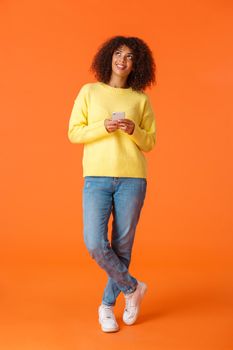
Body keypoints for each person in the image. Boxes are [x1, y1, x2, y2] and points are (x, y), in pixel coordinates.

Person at [68, 35, 157, 333]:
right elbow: (74, 132)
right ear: (108, 57)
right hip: (96, 177)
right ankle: (133, 288)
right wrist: (103, 127)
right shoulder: (89, 92)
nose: (122, 59)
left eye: (130, 56)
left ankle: (107, 306)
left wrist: (133, 131)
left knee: (122, 246)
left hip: (132, 178)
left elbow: (151, 142)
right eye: (118, 53)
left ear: (137, 65)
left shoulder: (140, 99)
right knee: (95, 242)